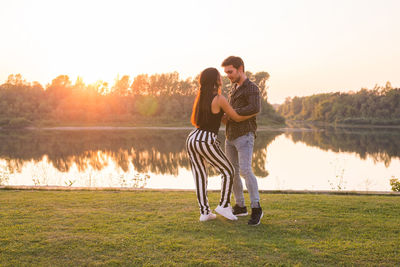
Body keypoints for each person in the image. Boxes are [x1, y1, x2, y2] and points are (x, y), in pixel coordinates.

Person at [186, 67, 256, 222]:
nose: (222, 78)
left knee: (199, 175)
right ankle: (224, 205)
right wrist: (254, 112)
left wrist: (224, 116)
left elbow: (219, 118)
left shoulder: (201, 98)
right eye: (219, 76)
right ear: (215, 80)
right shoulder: (219, 98)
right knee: (229, 171)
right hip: (205, 139)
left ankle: (205, 213)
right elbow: (237, 117)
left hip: (192, 138)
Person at [221, 56, 263, 226]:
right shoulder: (233, 88)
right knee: (232, 172)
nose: (228, 75)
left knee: (245, 171)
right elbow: (233, 113)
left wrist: (230, 113)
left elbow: (254, 108)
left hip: (245, 135)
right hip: (230, 135)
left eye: (230, 72)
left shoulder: (251, 88)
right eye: (226, 73)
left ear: (240, 69)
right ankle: (240, 206)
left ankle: (256, 208)